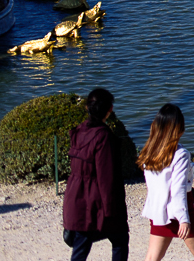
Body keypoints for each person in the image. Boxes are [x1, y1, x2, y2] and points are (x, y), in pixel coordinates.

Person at [62, 86, 129, 261]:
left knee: (81, 246)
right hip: (95, 201)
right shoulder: (103, 136)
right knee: (120, 239)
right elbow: (106, 177)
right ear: (110, 110)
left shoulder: (78, 131)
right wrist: (111, 210)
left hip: (75, 196)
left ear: (87, 108)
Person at [138, 103, 194, 259]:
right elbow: (177, 190)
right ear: (179, 128)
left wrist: (189, 170)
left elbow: (160, 182)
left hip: (159, 211)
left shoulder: (149, 153)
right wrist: (184, 219)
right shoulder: (181, 154)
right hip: (181, 209)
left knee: (152, 258)